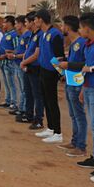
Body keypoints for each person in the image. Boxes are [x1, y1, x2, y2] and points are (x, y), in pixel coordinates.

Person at [64, 12, 94, 184]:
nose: (80, 31)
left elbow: (92, 67)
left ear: (86, 28)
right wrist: (83, 88)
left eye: (81, 28)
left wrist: (93, 69)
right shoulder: (89, 44)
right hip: (89, 88)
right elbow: (85, 68)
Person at [56, 16, 88, 157]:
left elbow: (86, 65)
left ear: (68, 27)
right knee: (73, 114)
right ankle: (75, 142)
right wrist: (65, 62)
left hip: (77, 82)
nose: (62, 28)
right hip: (70, 81)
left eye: (63, 25)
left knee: (79, 115)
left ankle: (81, 146)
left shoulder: (81, 43)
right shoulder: (74, 43)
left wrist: (68, 65)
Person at [33, 9, 64, 144]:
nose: (34, 22)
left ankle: (58, 132)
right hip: (43, 70)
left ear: (40, 19)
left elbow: (59, 56)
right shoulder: (43, 34)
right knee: (45, 100)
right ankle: (50, 128)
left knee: (52, 101)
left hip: (51, 72)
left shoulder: (55, 34)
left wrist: (59, 74)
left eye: (35, 19)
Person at [20, 11, 45, 130]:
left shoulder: (40, 35)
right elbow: (28, 50)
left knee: (37, 94)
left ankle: (38, 119)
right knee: (28, 92)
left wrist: (24, 62)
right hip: (28, 67)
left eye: (26, 22)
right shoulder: (32, 35)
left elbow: (36, 54)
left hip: (35, 68)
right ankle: (28, 114)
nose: (25, 24)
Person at [11, 15, 32, 121]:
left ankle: (23, 109)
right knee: (21, 86)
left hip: (22, 63)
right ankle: (21, 107)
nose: (15, 26)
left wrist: (15, 56)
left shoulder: (28, 35)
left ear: (21, 24)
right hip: (18, 63)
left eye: (16, 23)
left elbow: (27, 52)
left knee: (24, 88)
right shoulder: (22, 35)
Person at [0, 16, 19, 110]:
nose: (3, 24)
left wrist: (5, 55)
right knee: (6, 83)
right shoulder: (5, 34)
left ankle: (14, 102)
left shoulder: (14, 35)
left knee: (11, 83)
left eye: (5, 22)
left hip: (9, 62)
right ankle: (7, 100)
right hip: (2, 62)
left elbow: (17, 49)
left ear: (10, 23)